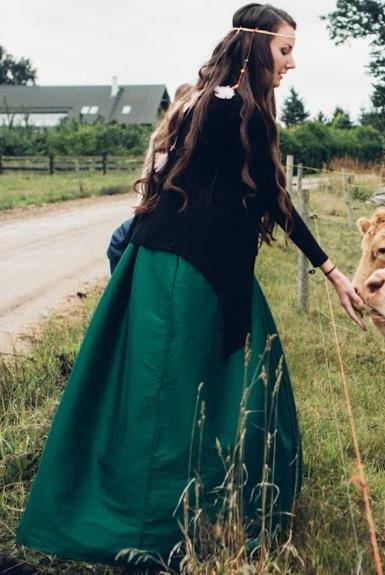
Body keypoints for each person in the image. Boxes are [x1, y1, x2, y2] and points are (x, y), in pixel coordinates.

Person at [16, 3, 365, 568]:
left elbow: (266, 198)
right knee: (167, 406)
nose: (292, 63)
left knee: (235, 391)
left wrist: (331, 271)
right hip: (180, 273)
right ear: (255, 48)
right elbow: (272, 199)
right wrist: (332, 272)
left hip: (197, 270)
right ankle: (151, 541)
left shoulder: (226, 107)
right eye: (284, 50)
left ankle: (206, 516)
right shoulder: (227, 109)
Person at [107, 83, 198, 273]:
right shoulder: (167, 135)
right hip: (168, 208)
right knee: (121, 239)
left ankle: (123, 294)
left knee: (119, 242)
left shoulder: (172, 134)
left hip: (169, 211)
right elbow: (148, 179)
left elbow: (148, 180)